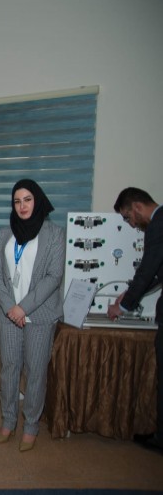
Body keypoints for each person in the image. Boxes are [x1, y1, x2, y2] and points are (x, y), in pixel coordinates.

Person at [0, 179, 65, 452]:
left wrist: (23, 308)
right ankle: (8, 421)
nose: (22, 206)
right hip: (8, 315)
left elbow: (53, 277)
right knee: (9, 368)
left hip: (40, 315)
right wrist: (11, 308)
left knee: (35, 371)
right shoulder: (5, 235)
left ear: (38, 201)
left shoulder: (54, 234)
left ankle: (31, 425)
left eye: (27, 200)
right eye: (17, 201)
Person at [107, 187, 163, 455]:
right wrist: (129, 295)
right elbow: (158, 274)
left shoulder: (158, 225)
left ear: (137, 207)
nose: (131, 224)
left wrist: (123, 306)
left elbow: (148, 270)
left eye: (128, 218)